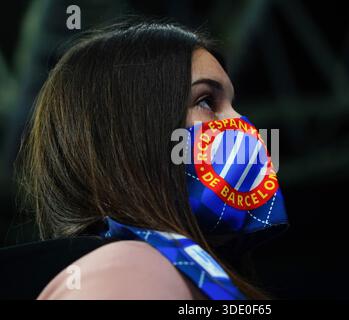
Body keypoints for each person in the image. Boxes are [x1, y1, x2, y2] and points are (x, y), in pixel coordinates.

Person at [15, 18, 288, 300]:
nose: (242, 124)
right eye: (206, 101)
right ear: (126, 135)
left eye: (233, 104)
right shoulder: (128, 271)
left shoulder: (155, 272)